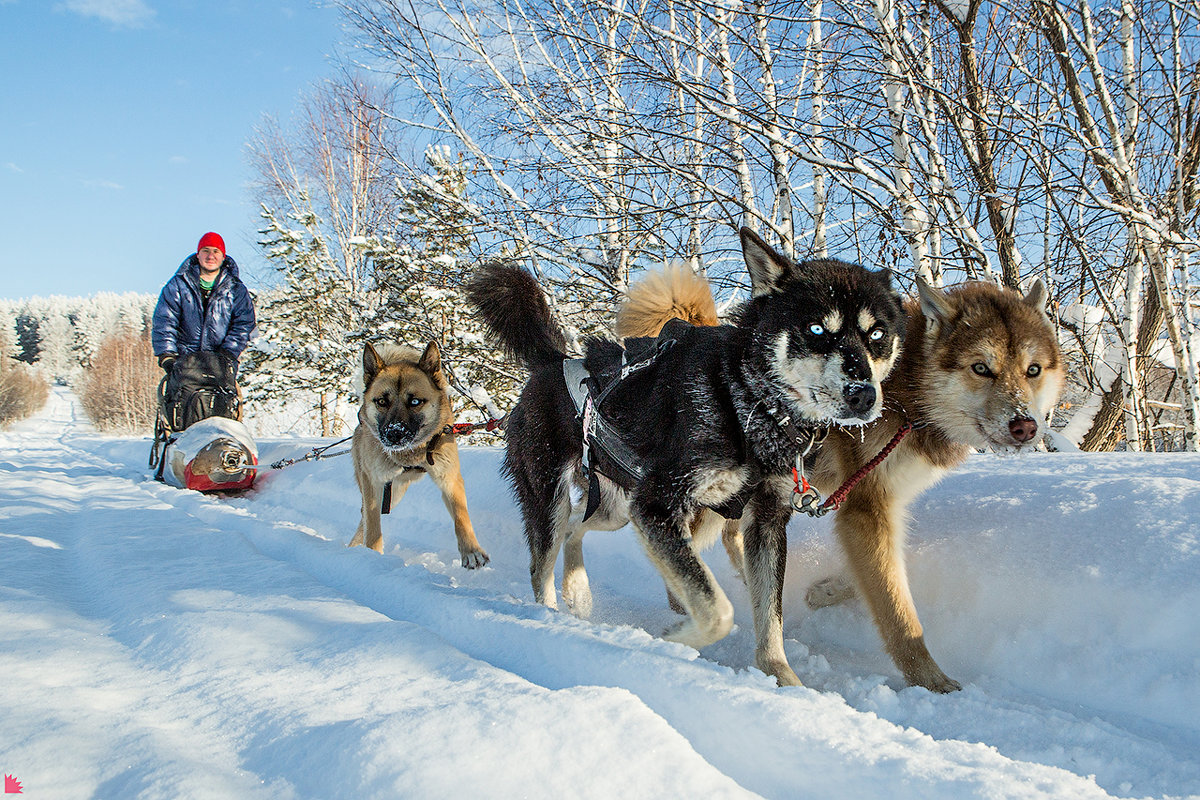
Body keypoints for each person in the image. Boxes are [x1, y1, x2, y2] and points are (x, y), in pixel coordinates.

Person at [152, 231, 256, 375]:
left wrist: (228, 353)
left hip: (221, 366)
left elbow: (244, 324)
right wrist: (167, 356)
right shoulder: (177, 285)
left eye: (216, 251)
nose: (210, 256)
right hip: (184, 366)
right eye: (205, 250)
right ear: (198, 254)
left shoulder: (236, 289)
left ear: (223, 256)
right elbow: (165, 321)